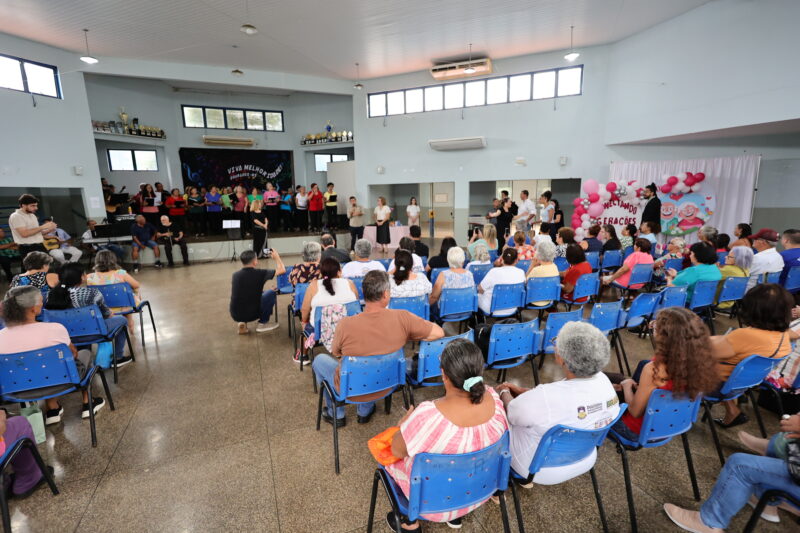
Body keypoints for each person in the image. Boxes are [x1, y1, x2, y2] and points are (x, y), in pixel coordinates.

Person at [385, 339, 506, 530]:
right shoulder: (496, 401)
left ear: (444, 375)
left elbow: (397, 451)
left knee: (389, 455)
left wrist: (404, 425)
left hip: (432, 504)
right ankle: (455, 517)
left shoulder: (427, 416)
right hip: (476, 492)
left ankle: (410, 522)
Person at [312, 270, 443, 426]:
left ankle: (337, 414)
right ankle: (364, 412)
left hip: (351, 388)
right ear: (386, 294)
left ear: (364, 293)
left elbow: (336, 352)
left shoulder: (345, 324)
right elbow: (439, 332)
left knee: (320, 360)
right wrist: (407, 335)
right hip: (388, 383)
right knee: (374, 362)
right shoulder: (403, 318)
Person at [498, 321, 619, 482]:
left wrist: (503, 391)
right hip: (584, 457)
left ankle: (493, 481)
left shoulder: (546, 397)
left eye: (557, 342)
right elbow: (553, 403)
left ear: (562, 358)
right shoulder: (604, 382)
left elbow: (512, 412)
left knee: (496, 414)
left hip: (537, 468)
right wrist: (524, 393)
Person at [607, 307, 719, 441]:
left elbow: (635, 412)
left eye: (655, 327)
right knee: (617, 379)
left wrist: (626, 386)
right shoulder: (700, 361)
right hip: (668, 426)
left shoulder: (654, 369)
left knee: (606, 390)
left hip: (636, 430)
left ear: (664, 337)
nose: (652, 327)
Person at [0, 286, 104, 424]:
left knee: (38, 366)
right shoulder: (54, 328)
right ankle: (88, 403)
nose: (42, 303)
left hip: (16, 390)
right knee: (84, 353)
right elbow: (73, 354)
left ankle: (53, 409)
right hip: (61, 383)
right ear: (32, 309)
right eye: (40, 301)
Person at [709, 284, 796, 427]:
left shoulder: (745, 335)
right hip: (742, 384)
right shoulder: (784, 336)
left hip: (714, 385)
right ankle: (732, 411)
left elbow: (705, 353)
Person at [45, 263, 132, 368]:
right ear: (81, 277)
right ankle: (118, 357)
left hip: (66, 336)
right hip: (93, 333)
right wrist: (109, 312)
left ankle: (82, 358)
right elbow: (106, 315)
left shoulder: (51, 295)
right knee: (122, 320)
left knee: (79, 326)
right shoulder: (92, 293)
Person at [300, 257, 359, 349]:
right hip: (349, 328)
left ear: (321, 273)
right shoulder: (349, 283)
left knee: (305, 330)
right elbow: (356, 304)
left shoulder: (313, 286)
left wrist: (304, 322)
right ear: (339, 272)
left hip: (320, 329)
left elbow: (305, 309)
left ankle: (303, 355)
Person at [229, 249, 286, 334]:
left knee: (246, 295)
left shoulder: (235, 275)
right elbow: (282, 270)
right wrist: (277, 257)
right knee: (271, 293)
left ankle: (242, 322)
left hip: (235, 313)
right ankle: (262, 323)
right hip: (252, 313)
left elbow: (249, 292)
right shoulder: (260, 273)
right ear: (255, 262)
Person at [86, 250, 142, 333]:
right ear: (113, 260)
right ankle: (129, 319)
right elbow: (136, 285)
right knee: (132, 291)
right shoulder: (121, 273)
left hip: (102, 307)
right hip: (121, 305)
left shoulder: (90, 277)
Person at [478, 247, 525, 316]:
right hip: (513, 308)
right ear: (516, 260)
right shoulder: (521, 272)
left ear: (502, 259)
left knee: (477, 296)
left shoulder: (494, 271)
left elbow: (480, 289)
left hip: (492, 310)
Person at [429, 246, 474, 311]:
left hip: (446, 311)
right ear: (463, 259)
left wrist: (424, 306)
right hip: (466, 310)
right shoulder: (470, 274)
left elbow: (434, 297)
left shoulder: (443, 275)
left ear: (448, 259)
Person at [527, 240, 559, 306]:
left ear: (539, 253)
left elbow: (525, 282)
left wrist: (532, 266)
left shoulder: (536, 270)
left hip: (534, 300)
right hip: (549, 299)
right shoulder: (555, 267)